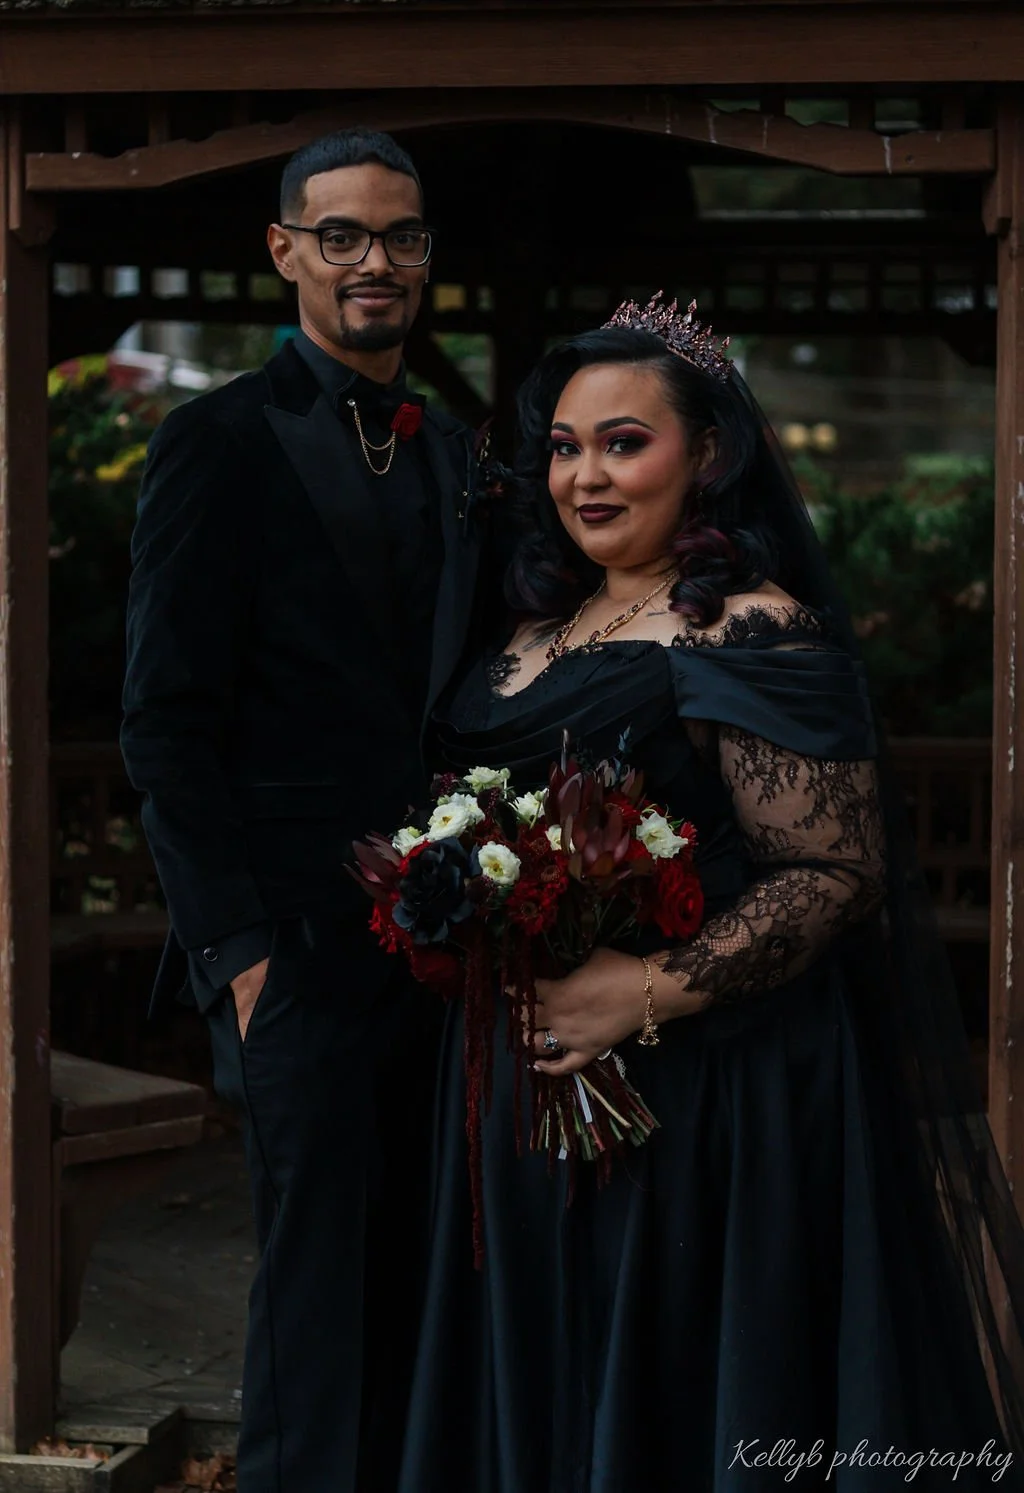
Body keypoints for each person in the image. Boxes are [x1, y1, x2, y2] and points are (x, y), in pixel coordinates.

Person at [399, 296, 1024, 1491]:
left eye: (624, 441)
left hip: (702, 1094)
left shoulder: (751, 632)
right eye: (567, 445)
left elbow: (835, 873)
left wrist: (641, 990)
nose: (586, 473)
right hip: (518, 1097)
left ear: (708, 456)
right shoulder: (532, 629)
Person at [121, 128, 494, 1493]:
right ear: (285, 251)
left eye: (400, 235)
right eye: (341, 234)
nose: (374, 261)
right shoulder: (213, 441)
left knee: (434, 1268)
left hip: (454, 947)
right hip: (295, 949)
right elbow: (164, 723)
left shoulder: (458, 447)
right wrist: (241, 963)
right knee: (313, 1291)